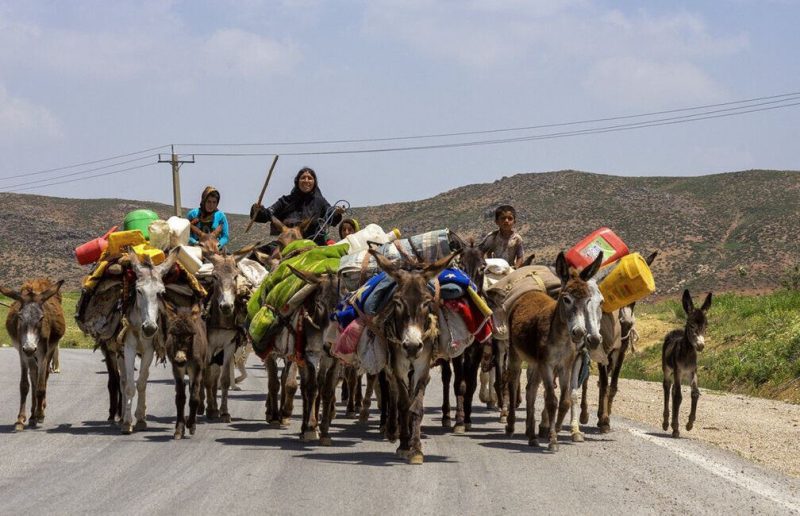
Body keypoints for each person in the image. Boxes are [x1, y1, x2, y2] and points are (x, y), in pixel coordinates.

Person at [250, 167, 343, 246]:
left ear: (314, 182)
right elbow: (267, 214)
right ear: (297, 181)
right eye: (303, 178)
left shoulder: (320, 201)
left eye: (310, 178)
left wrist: (336, 212)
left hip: (314, 243)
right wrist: (258, 210)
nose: (306, 181)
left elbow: (330, 215)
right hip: (286, 244)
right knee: (258, 255)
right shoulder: (285, 201)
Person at [479, 204, 524, 268]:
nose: (506, 221)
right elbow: (480, 252)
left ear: (514, 221)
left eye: (510, 218)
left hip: (509, 270)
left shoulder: (517, 239)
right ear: (497, 221)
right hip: (493, 270)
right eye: (503, 218)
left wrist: (515, 268)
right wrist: (484, 265)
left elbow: (520, 257)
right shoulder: (492, 237)